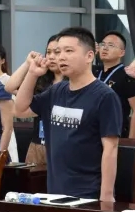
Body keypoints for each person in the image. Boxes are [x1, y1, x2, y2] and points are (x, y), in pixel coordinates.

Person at [15, 27, 120, 201]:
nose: (61, 57)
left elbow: (111, 149)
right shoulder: (56, 91)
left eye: (69, 51)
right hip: (55, 190)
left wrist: (106, 195)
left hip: (88, 193)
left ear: (89, 56)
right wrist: (32, 74)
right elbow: (20, 109)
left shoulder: (105, 96)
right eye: (58, 52)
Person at [8, 35, 62, 165]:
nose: (51, 56)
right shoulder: (40, 79)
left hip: (61, 145)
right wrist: (28, 64)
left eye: (57, 52)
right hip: (37, 143)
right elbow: (10, 87)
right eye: (48, 52)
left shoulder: (74, 83)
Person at [96, 31, 135, 139]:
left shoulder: (127, 75)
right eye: (103, 44)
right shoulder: (93, 72)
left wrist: (131, 141)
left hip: (115, 134)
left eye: (111, 45)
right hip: (91, 133)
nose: (105, 48)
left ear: (122, 53)